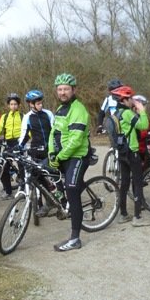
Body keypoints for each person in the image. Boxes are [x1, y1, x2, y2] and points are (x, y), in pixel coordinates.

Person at [48, 73, 91, 251]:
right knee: (43, 171)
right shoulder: (59, 109)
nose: (63, 92)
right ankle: (64, 202)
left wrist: (60, 157)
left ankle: (75, 239)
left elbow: (75, 139)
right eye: (60, 89)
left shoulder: (78, 110)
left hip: (77, 156)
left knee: (72, 190)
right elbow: (53, 133)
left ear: (74, 90)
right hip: (62, 156)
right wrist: (51, 153)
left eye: (66, 89)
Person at [111, 86, 150, 227]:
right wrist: (141, 110)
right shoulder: (128, 114)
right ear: (124, 99)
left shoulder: (116, 113)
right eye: (130, 99)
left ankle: (123, 214)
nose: (132, 101)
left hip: (122, 152)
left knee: (124, 183)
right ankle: (137, 217)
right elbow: (143, 125)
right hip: (132, 151)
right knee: (137, 182)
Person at [18, 89, 54, 216]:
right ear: (30, 104)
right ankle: (40, 203)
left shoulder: (48, 114)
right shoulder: (27, 117)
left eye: (41, 102)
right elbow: (24, 136)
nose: (40, 105)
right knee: (37, 178)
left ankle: (60, 199)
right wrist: (18, 147)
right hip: (35, 151)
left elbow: (55, 131)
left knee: (54, 175)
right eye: (37, 103)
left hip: (49, 150)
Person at [0, 93, 24, 200]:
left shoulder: (22, 116)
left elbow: (27, 130)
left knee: (22, 167)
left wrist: (25, 140)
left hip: (19, 143)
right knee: (3, 169)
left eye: (15, 104)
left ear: (19, 105)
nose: (13, 106)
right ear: (8, 106)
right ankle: (8, 191)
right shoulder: (4, 117)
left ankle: (24, 190)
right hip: (8, 143)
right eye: (11, 104)